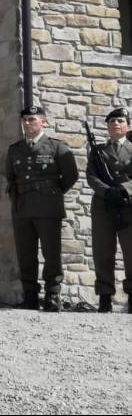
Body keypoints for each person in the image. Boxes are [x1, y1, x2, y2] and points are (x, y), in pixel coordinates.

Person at [6, 106, 78, 312]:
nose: (27, 123)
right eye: (25, 120)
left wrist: (52, 193)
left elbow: (71, 175)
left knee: (51, 253)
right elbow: (11, 177)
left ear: (43, 122)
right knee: (26, 254)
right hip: (22, 207)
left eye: (32, 119)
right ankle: (29, 295)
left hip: (48, 207)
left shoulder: (57, 147)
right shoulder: (15, 149)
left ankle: (52, 295)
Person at [86, 107, 132, 314]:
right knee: (103, 251)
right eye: (112, 121)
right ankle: (105, 296)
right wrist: (106, 191)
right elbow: (91, 176)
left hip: (128, 205)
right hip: (104, 205)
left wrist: (124, 189)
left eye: (120, 121)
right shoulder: (98, 151)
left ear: (128, 125)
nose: (115, 124)